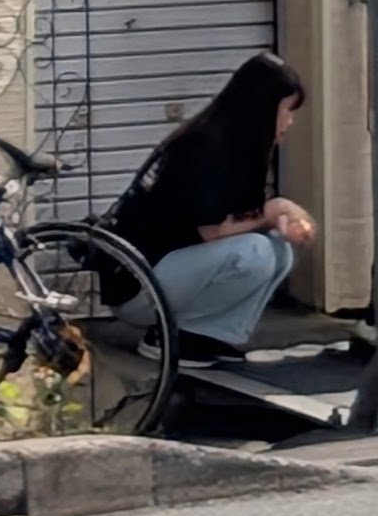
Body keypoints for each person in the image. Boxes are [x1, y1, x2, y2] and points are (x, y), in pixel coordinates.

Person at [102, 54, 315, 353]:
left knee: (278, 247)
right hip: (140, 284)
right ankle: (169, 337)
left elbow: (242, 219)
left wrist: (285, 218)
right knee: (255, 252)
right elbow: (212, 230)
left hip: (168, 272)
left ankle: (208, 335)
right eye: (287, 110)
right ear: (264, 107)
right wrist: (271, 212)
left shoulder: (239, 147)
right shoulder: (204, 146)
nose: (290, 121)